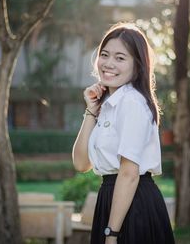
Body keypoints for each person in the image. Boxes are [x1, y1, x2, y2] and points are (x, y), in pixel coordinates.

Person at [72, 22, 175, 244]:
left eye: (120, 58)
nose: (108, 64)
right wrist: (91, 110)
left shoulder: (132, 103)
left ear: (137, 66)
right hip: (111, 200)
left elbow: (129, 173)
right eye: (105, 55)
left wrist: (112, 234)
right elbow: (81, 164)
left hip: (134, 204)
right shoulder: (108, 105)